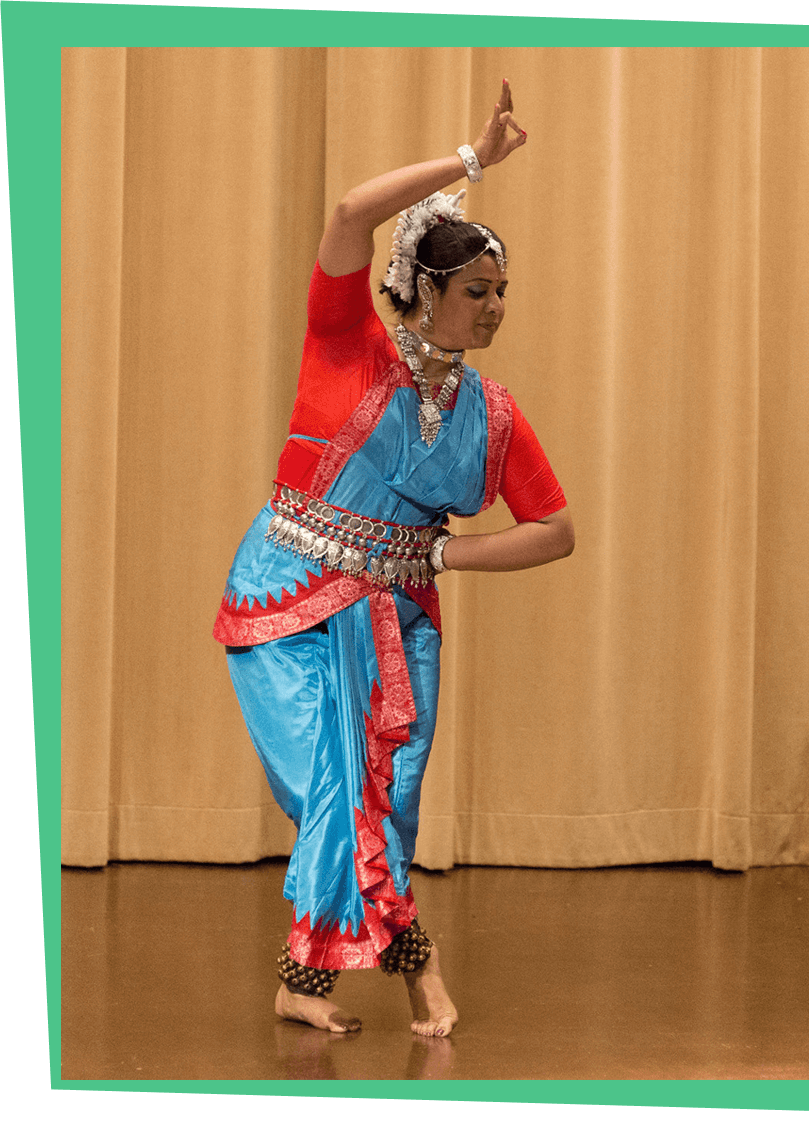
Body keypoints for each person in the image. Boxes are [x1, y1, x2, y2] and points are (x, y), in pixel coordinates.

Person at [213, 81, 574, 1035]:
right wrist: (470, 164)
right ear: (424, 288)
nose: (494, 310)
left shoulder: (491, 414)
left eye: (502, 294)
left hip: (399, 619)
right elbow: (348, 213)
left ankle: (306, 979)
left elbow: (555, 529)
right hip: (288, 595)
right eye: (476, 292)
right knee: (336, 785)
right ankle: (419, 970)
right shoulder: (346, 343)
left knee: (387, 802)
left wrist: (447, 557)